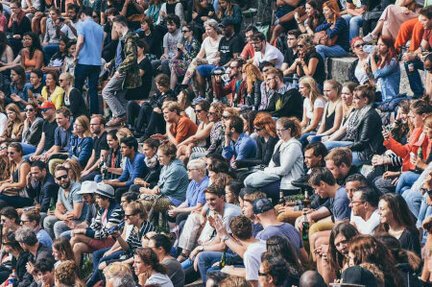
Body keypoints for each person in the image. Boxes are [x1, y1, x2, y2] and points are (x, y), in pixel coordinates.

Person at [244, 117, 304, 202]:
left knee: (256, 192)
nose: (278, 133)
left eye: (281, 130)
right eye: (277, 130)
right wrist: (267, 170)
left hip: (289, 184)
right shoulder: (279, 143)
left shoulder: (294, 146)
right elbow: (271, 164)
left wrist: (267, 170)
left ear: (289, 130)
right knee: (248, 186)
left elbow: (284, 170)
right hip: (277, 179)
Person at [324, 85, 385, 166]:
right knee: (326, 146)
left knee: (334, 160)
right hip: (356, 144)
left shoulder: (370, 115)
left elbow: (363, 143)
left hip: (366, 153)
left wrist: (341, 149)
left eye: (356, 98)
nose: (353, 101)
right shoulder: (358, 111)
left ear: (365, 100)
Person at [70, 182, 123, 266]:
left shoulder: (116, 211)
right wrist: (80, 230)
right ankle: (74, 274)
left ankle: (66, 267)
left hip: (112, 242)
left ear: (106, 198)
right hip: (101, 240)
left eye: (98, 198)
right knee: (77, 247)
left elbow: (103, 234)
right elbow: (94, 226)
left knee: (76, 236)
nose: (96, 200)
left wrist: (83, 231)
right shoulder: (102, 209)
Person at [104, 15, 141, 127]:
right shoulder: (123, 38)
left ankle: (120, 115)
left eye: (115, 27)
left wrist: (120, 69)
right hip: (122, 70)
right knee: (120, 97)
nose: (115, 30)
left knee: (106, 92)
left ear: (120, 25)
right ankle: (134, 119)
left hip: (124, 72)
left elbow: (131, 56)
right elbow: (121, 55)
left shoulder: (129, 38)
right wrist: (111, 63)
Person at [139, 142, 188, 212]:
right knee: (138, 199)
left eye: (161, 156)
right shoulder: (165, 166)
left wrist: (149, 191)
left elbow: (166, 191)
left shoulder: (176, 169)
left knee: (143, 204)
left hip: (175, 199)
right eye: (158, 156)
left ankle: (147, 222)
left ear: (169, 156)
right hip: (166, 196)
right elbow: (160, 184)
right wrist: (156, 187)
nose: (158, 159)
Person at [74, 6, 104, 115]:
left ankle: (77, 112)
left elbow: (80, 41)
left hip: (83, 61)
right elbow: (101, 46)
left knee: (77, 88)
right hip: (96, 62)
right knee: (93, 90)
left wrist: (75, 55)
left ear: (82, 15)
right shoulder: (99, 27)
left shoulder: (81, 24)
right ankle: (94, 114)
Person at [43, 165, 85, 239]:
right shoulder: (61, 189)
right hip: (68, 218)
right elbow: (57, 210)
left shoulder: (76, 189)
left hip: (81, 220)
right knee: (47, 220)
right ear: (55, 180)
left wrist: (64, 212)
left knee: (58, 226)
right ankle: (53, 245)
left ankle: (61, 248)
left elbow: (76, 214)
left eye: (64, 176)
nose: (62, 179)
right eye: (59, 178)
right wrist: (62, 216)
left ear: (69, 176)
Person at [104, 136, 146, 202]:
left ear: (132, 148)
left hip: (139, 185)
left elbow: (133, 181)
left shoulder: (139, 158)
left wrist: (114, 184)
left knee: (118, 191)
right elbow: (124, 176)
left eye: (124, 147)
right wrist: (110, 181)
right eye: (121, 147)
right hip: (131, 184)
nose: (121, 150)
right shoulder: (127, 158)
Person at [0, 142, 32, 208]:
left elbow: (22, 184)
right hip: (16, 194)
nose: (9, 155)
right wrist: (2, 183)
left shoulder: (24, 165)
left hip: (24, 197)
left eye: (12, 153)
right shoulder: (14, 164)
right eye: (8, 153)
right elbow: (11, 180)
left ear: (20, 152)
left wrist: (6, 185)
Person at [370, 36, 400, 102]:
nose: (378, 47)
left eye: (382, 45)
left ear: (388, 47)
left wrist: (372, 57)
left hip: (390, 97)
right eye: (378, 44)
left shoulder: (393, 61)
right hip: (381, 94)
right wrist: (367, 72)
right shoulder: (379, 61)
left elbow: (377, 74)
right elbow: (375, 81)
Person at [80, 114, 109, 181]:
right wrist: (85, 170)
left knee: (82, 179)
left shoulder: (105, 138)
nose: (91, 127)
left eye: (94, 124)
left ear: (101, 126)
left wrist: (89, 171)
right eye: (90, 124)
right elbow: (92, 157)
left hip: (101, 171)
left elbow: (102, 159)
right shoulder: (96, 138)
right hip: (94, 169)